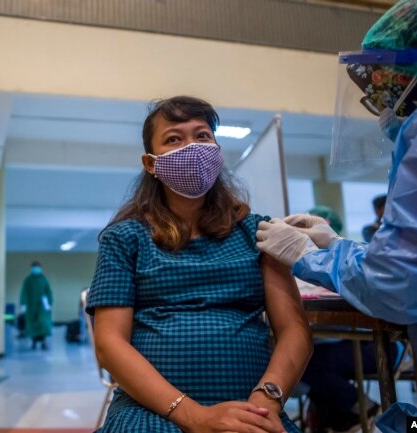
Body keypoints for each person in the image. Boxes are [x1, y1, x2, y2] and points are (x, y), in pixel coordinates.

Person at [86, 96, 312, 433]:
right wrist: (193, 415)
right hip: (151, 410)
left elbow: (294, 329)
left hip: (250, 407)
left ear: (217, 150)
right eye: (174, 138)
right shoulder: (125, 238)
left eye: (202, 135)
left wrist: (267, 399)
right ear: (151, 163)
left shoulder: (259, 233)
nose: (192, 147)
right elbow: (109, 345)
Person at [256, 1, 417, 431]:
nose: (382, 103)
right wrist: (334, 246)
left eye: (387, 84)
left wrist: (308, 256)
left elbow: (395, 283)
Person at [297, 206, 382, 433]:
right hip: (340, 344)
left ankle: (364, 407)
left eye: (318, 226)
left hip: (375, 343)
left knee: (305, 362)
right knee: (304, 359)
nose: (310, 233)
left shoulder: (350, 261)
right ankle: (348, 415)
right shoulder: (310, 267)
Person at [19, 261, 53, 350]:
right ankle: (34, 342)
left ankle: (44, 342)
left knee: (43, 324)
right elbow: (24, 292)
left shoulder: (43, 279)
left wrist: (49, 303)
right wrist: (23, 303)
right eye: (34, 268)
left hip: (42, 307)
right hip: (30, 306)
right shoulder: (28, 280)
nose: (36, 269)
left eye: (37, 267)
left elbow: (48, 291)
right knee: (32, 325)